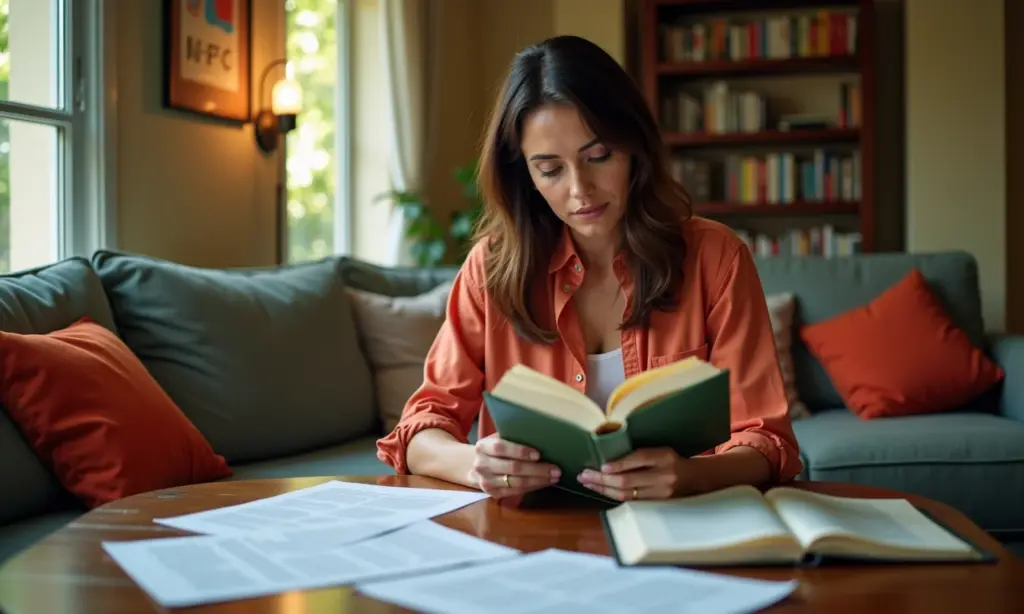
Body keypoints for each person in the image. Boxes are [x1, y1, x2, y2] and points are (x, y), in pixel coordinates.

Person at [376, 34, 802, 502]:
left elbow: (768, 442)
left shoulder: (715, 257)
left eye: (598, 156)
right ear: (525, 175)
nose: (580, 189)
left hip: (679, 528)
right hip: (531, 536)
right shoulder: (492, 269)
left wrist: (688, 475)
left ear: (634, 147)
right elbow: (420, 428)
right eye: (550, 169)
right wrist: (474, 463)